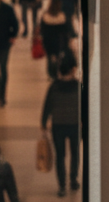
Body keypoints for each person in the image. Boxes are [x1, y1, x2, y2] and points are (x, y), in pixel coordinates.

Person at [41, 53, 82, 198]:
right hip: (75, 125)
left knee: (60, 156)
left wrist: (43, 123)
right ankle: (73, 179)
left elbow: (47, 106)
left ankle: (62, 186)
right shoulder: (78, 86)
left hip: (58, 125)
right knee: (75, 153)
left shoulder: (54, 86)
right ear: (73, 69)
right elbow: (84, 106)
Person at [40, 0, 78, 76]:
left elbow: (42, 30)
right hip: (60, 41)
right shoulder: (63, 16)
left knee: (50, 57)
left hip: (48, 41)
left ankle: (51, 73)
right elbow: (68, 29)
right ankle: (58, 71)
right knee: (59, 57)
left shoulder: (45, 16)